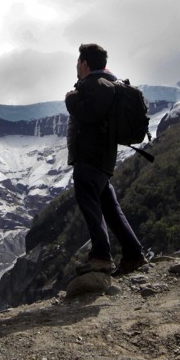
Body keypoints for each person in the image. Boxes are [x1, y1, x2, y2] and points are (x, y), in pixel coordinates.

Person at [65, 42, 146, 276]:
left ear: (84, 63)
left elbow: (90, 114)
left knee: (91, 207)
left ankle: (101, 256)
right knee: (110, 209)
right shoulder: (110, 83)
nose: (77, 67)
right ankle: (133, 254)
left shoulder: (95, 84)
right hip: (103, 159)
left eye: (78, 62)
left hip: (90, 158)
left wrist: (71, 100)